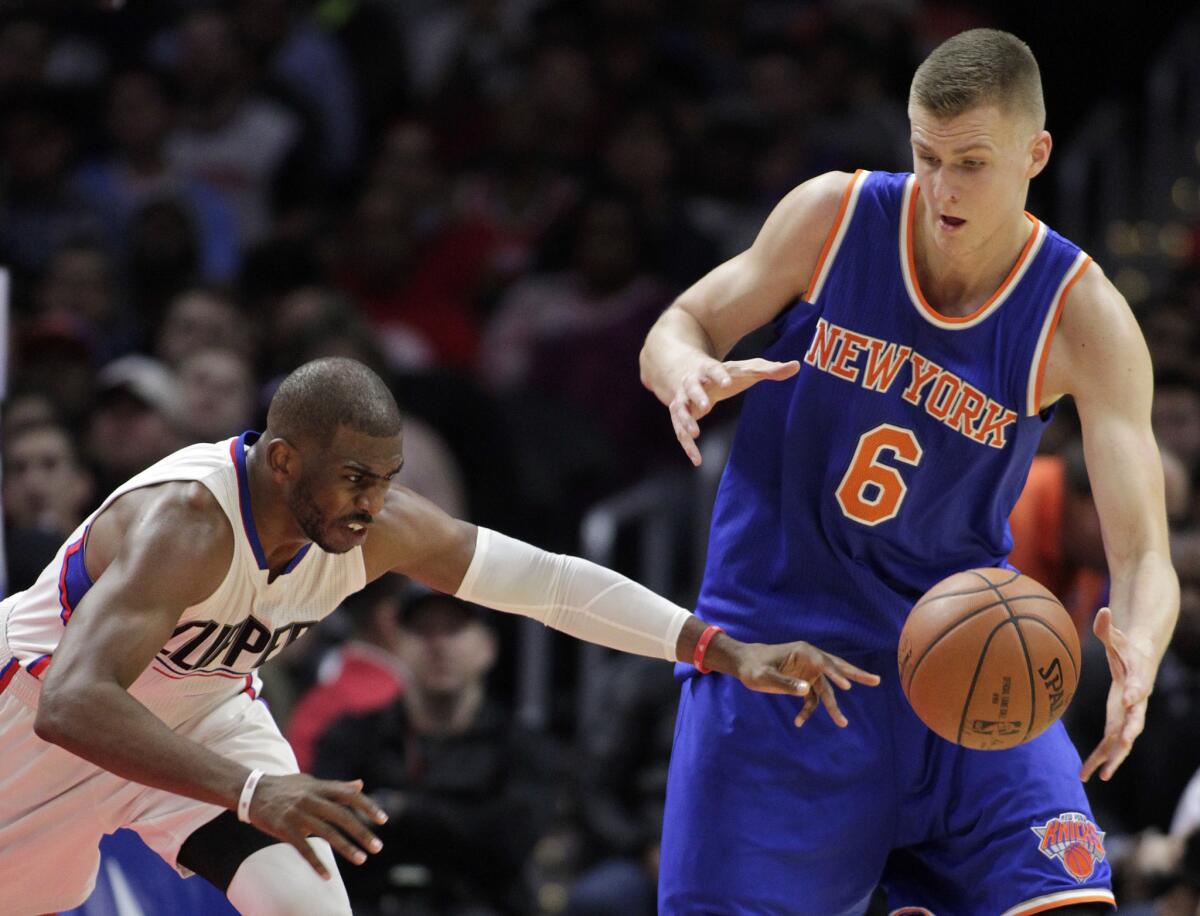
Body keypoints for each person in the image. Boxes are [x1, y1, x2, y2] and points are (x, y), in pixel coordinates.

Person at [0, 356, 877, 916]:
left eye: (384, 481)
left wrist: (720, 649)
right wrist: (253, 790)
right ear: (282, 462)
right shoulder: (188, 523)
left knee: (307, 907)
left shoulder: (374, 525)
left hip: (201, 721)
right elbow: (74, 704)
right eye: (352, 479)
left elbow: (552, 584)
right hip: (37, 711)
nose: (370, 505)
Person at [639, 28, 1178, 916]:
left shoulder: (1081, 315)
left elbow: (1145, 553)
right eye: (926, 156)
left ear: (1035, 154)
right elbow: (684, 319)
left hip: (960, 663)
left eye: (972, 162)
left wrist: (1141, 656)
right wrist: (685, 372)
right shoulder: (836, 218)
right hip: (780, 660)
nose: (941, 188)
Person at [313, 590, 556, 915]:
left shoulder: (521, 747)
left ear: (488, 647)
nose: (438, 644)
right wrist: (457, 821)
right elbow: (327, 833)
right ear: (397, 644)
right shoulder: (352, 735)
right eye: (422, 630)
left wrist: (397, 809)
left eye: (453, 629)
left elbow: (509, 844)